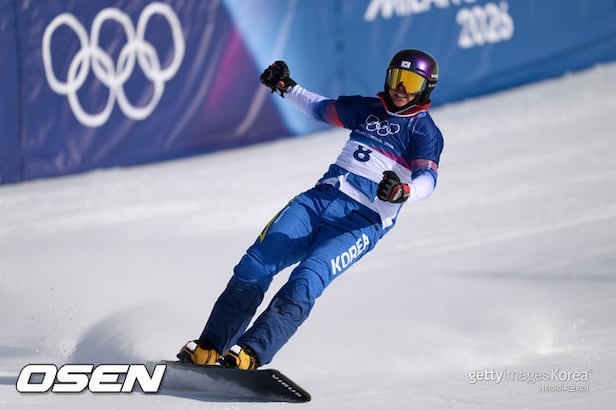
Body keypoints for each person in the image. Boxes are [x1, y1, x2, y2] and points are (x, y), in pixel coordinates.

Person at [178, 49, 444, 370]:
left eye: (411, 83)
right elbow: (320, 109)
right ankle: (210, 346)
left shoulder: (424, 131)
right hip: (317, 201)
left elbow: (428, 179)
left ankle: (250, 353)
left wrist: (404, 192)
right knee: (254, 266)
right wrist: (286, 87)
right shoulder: (368, 108)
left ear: (426, 88)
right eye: (397, 78)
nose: (400, 89)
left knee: (305, 281)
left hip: (360, 222)